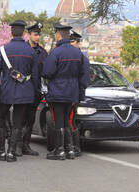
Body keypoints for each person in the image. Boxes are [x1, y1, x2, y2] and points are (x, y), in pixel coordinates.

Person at [0, 20, 40, 162]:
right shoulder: (31, 51)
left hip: (6, 90)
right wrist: (35, 91)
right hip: (25, 91)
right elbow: (35, 75)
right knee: (18, 122)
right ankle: (11, 152)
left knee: (1, 119)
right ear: (24, 34)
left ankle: (0, 151)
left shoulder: (3, 50)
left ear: (11, 33)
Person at [42, 23, 89, 160]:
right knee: (68, 121)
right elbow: (83, 74)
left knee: (58, 121)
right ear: (69, 36)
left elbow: (47, 73)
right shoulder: (78, 53)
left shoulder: (56, 52)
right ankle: (70, 150)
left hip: (57, 92)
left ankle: (59, 150)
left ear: (58, 35)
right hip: (72, 93)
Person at [22, 22, 48, 156]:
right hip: (22, 91)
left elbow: (46, 72)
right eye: (35, 34)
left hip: (35, 92)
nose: (38, 37)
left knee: (30, 119)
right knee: (20, 119)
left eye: (39, 34)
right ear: (29, 35)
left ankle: (25, 145)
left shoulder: (42, 53)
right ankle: (16, 145)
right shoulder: (23, 50)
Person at [70, 30, 90, 157]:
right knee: (71, 120)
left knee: (71, 120)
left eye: (71, 41)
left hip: (74, 94)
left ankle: (75, 147)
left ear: (77, 42)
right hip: (74, 93)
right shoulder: (80, 56)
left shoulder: (81, 57)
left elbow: (84, 80)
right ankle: (72, 146)